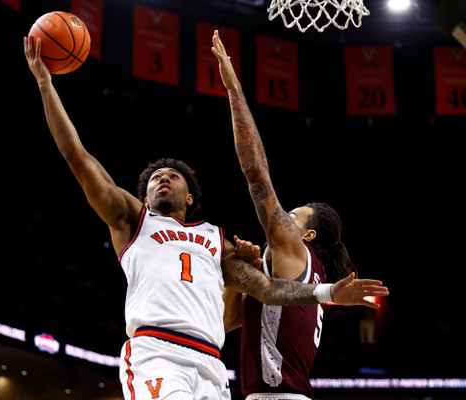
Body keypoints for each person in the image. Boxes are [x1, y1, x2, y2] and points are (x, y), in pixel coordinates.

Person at [24, 35, 389, 400]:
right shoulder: (132, 220)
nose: (163, 178)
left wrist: (318, 290)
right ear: (145, 198)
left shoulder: (217, 239)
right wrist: (45, 84)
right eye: (155, 178)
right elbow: (77, 155)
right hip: (157, 352)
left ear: (190, 197)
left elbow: (262, 292)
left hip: (211, 365)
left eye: (173, 176)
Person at [212, 30, 384, 400]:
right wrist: (243, 273)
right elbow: (227, 323)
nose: (282, 221)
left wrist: (234, 91)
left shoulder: (296, 252)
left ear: (306, 236)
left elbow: (256, 173)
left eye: (291, 216)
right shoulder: (294, 279)